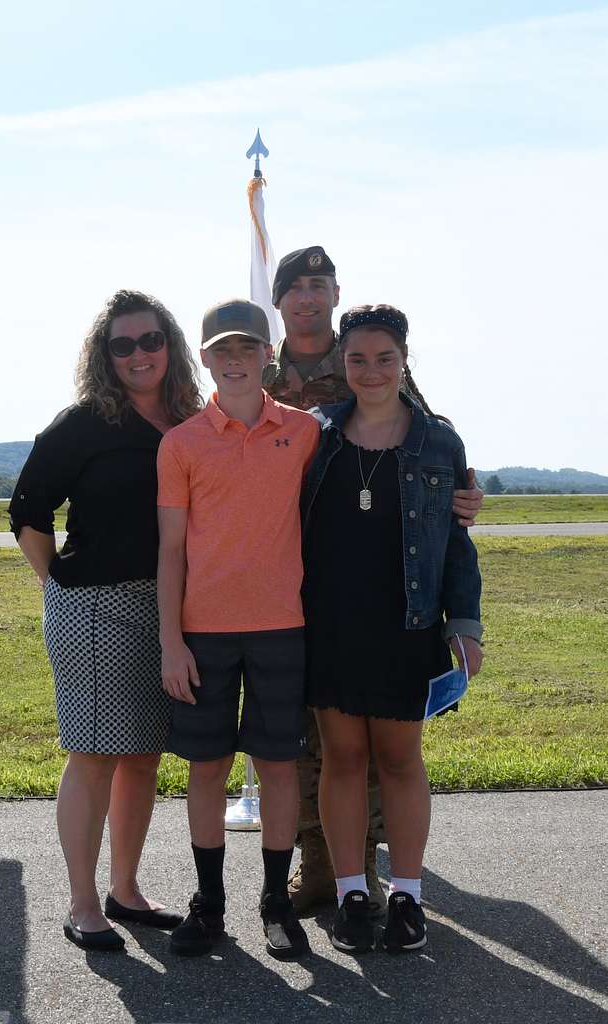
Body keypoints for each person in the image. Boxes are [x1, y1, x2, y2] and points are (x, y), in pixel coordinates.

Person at [264, 245, 483, 915]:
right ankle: (342, 884)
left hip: (402, 618)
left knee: (393, 760)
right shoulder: (302, 418)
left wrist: (464, 620)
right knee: (330, 757)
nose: (369, 370)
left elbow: (451, 528)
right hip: (319, 616)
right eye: (356, 359)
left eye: (383, 358)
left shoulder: (432, 436)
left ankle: (392, 888)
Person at [8, 289, 202, 951]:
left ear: (170, 346)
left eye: (150, 340)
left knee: (143, 757)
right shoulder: (82, 425)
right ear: (104, 355)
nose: (139, 354)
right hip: (94, 606)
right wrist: (59, 584)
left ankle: (126, 890)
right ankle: (83, 902)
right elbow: (27, 513)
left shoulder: (190, 418)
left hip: (169, 605)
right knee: (92, 756)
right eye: (122, 344)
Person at [157, 299, 320, 960]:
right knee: (207, 769)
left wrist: (458, 485)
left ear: (266, 357)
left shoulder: (306, 432)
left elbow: (389, 434)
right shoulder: (181, 444)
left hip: (284, 625)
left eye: (246, 349)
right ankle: (209, 904)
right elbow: (170, 551)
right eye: (222, 350)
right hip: (203, 633)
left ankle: (276, 903)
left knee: (277, 766)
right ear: (203, 358)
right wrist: (171, 640)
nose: (234, 361)